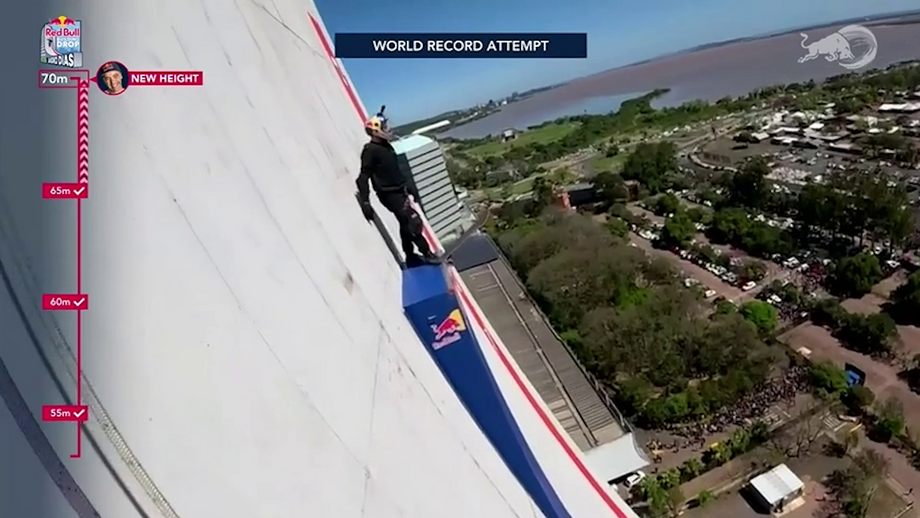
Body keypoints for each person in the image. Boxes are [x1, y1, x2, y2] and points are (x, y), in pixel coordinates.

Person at [356, 114, 438, 267]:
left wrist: (409, 187)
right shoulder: (370, 150)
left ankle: (411, 257)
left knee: (405, 225)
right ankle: (427, 253)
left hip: (399, 190)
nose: (388, 129)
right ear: (375, 131)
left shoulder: (386, 146)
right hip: (389, 195)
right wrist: (365, 201)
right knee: (413, 221)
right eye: (385, 127)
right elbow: (363, 177)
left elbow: (394, 171)